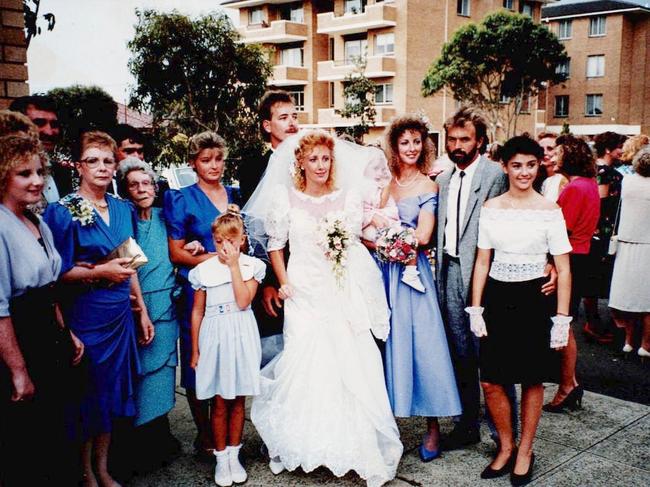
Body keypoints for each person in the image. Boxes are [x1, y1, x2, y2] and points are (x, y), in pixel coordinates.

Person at [249, 131, 403, 486]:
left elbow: (352, 244)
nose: (321, 165)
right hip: (302, 290)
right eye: (314, 159)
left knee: (349, 360)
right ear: (301, 163)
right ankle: (294, 444)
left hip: (337, 287)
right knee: (304, 361)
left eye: (326, 158)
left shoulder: (345, 198)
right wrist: (284, 281)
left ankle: (354, 446)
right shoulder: (284, 197)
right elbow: (276, 245)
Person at [44, 131, 155, 487]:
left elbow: (129, 260)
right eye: (93, 160)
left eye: (108, 160)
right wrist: (100, 272)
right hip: (86, 314)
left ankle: (104, 468)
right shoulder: (62, 212)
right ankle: (85, 473)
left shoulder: (122, 208)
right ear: (78, 166)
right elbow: (56, 272)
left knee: (111, 395)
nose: (102, 167)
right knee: (87, 396)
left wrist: (141, 310)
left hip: (119, 313)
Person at [468, 135, 572, 486]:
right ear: (506, 167)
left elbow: (564, 267)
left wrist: (561, 319)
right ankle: (506, 446)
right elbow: (483, 261)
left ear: (539, 165)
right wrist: (477, 307)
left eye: (530, 164)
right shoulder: (492, 208)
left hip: (534, 298)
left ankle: (526, 450)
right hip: (498, 295)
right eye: (517, 165)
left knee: (531, 377)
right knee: (491, 379)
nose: (524, 172)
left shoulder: (549, 210)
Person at [435, 108, 537, 450]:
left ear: (480, 141)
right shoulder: (444, 180)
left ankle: (503, 436)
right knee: (460, 355)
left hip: (489, 279)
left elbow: (527, 212)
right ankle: (466, 426)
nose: (458, 145)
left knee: (495, 360)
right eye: (452, 139)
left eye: (465, 139)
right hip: (449, 274)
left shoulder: (496, 175)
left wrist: (549, 262)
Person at [0, 134, 85, 486]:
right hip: (20, 340)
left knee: (57, 435)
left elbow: (49, 288)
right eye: (24, 174)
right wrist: (18, 371)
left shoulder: (35, 221)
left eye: (39, 172)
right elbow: (0, 308)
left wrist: (67, 331)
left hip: (50, 336)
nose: (37, 181)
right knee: (27, 444)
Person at [379, 116, 461, 460]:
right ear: (395, 147)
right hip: (382, 273)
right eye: (405, 142)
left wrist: (393, 241)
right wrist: (377, 244)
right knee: (385, 345)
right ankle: (384, 425)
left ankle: (432, 428)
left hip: (414, 275)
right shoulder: (383, 182)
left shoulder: (429, 186)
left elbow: (424, 235)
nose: (411, 148)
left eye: (417, 142)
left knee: (424, 346)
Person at [163, 131, 241, 458]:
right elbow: (177, 253)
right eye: (205, 160)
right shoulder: (179, 197)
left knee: (229, 360)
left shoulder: (237, 193)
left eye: (218, 158)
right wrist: (217, 257)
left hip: (233, 291)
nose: (213, 166)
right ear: (193, 163)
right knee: (197, 362)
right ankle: (205, 433)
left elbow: (244, 240)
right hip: (197, 293)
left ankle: (228, 432)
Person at [189, 206, 266, 486]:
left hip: (241, 331)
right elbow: (197, 312)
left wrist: (234, 266)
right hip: (215, 332)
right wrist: (195, 349)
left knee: (238, 400)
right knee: (220, 400)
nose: (225, 247)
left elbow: (244, 301)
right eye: (219, 241)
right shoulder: (203, 271)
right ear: (213, 241)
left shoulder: (252, 267)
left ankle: (235, 455)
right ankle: (221, 459)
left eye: (231, 241)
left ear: (242, 240)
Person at [117, 158, 182, 470]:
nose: (142, 189)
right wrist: (140, 309)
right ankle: (141, 444)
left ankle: (160, 437)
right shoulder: (124, 220)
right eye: (134, 184)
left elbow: (177, 249)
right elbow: (129, 269)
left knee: (164, 372)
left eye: (147, 183)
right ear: (125, 190)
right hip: (140, 307)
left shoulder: (164, 215)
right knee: (141, 375)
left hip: (168, 306)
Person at [240, 90, 299, 363]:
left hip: (309, 268)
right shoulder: (253, 167)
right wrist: (267, 283)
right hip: (274, 276)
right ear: (267, 125)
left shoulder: (312, 161)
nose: (292, 123)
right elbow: (256, 232)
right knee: (275, 356)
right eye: (283, 117)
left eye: (294, 116)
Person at [544, 135, 599, 413]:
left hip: (568, 258)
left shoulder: (575, 188)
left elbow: (560, 231)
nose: (554, 157)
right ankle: (570, 384)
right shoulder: (588, 184)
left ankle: (567, 385)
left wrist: (551, 264)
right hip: (581, 256)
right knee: (564, 323)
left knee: (562, 324)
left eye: (559, 152)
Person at [581, 131, 627, 342]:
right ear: (609, 149)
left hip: (602, 231)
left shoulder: (599, 169)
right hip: (601, 232)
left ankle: (594, 321)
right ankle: (593, 323)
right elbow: (599, 202)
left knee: (594, 276)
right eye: (620, 146)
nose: (623, 150)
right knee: (594, 276)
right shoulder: (604, 172)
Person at [361, 149, 425, 292]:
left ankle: (410, 272)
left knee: (409, 236)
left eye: (381, 168)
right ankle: (404, 268)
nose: (379, 173)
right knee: (393, 241)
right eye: (375, 169)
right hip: (370, 227)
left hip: (385, 222)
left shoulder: (380, 187)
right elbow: (368, 209)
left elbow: (384, 204)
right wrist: (372, 216)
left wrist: (385, 187)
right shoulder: (362, 190)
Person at [608, 147, 650, 358]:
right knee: (647, 301)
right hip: (648, 245)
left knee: (629, 298)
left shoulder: (628, 182)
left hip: (626, 243)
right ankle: (645, 345)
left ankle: (628, 342)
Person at [9, 95, 74, 201]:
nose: (49, 132)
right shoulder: (5, 175)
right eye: (39, 123)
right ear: (17, 127)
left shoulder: (62, 173)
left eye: (54, 124)